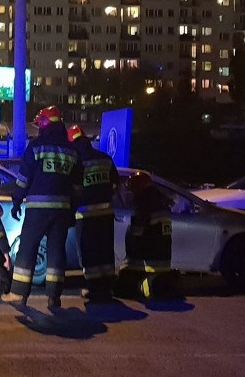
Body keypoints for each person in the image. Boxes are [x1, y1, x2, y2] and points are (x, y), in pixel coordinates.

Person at [1, 106, 81, 308]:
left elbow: (23, 179)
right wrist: (72, 210)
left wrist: (17, 201)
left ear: (45, 123)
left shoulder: (36, 147)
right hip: (62, 209)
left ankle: (18, 293)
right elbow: (78, 185)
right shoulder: (71, 150)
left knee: (27, 248)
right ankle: (54, 297)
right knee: (56, 252)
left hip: (38, 209)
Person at [68, 123, 120, 303]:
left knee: (89, 254)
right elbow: (115, 184)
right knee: (105, 252)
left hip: (85, 216)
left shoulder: (77, 162)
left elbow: (74, 190)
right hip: (106, 215)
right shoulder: (105, 158)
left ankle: (93, 289)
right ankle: (106, 289)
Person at [116, 171, 179, 300]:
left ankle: (143, 287)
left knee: (122, 286)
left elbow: (136, 234)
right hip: (162, 264)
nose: (131, 194)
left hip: (148, 263)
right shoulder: (160, 202)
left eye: (133, 190)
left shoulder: (145, 205)